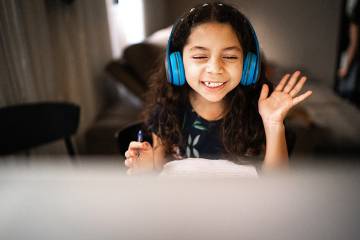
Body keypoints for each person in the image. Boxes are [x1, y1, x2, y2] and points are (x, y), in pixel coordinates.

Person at [124, 2, 312, 174]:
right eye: (199, 57)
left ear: (249, 66)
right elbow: (161, 178)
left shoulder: (259, 112)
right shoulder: (166, 111)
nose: (215, 69)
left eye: (230, 57)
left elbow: (276, 186)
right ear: (177, 65)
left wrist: (273, 124)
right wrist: (147, 170)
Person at [337, 0, 360, 104]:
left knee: (346, 92)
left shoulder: (354, 23)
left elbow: (353, 45)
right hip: (353, 60)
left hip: (352, 61)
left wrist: (345, 67)